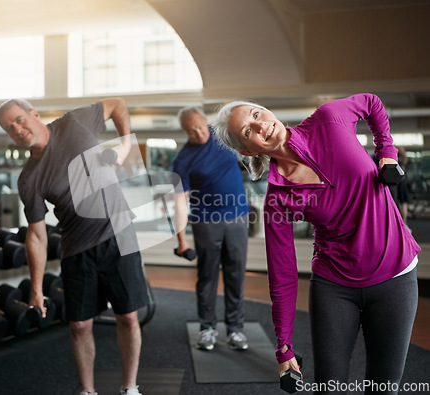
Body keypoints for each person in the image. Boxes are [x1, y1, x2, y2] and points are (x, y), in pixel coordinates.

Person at [213, 94, 421, 393]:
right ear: (247, 150)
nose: (260, 127)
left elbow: (372, 103)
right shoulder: (277, 199)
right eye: (248, 131)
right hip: (335, 286)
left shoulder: (329, 119)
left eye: (256, 115)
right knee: (329, 387)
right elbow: (282, 276)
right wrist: (283, 348)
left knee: (383, 388)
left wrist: (387, 151)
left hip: (395, 274)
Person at [0, 98, 149, 395]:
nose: (16, 128)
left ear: (33, 114)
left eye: (18, 119)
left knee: (128, 317)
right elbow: (37, 236)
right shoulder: (29, 178)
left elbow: (117, 104)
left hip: (120, 234)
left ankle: (130, 388)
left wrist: (125, 145)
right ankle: (87, 391)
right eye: (8, 127)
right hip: (77, 248)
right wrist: (37, 289)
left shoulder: (74, 122)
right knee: (79, 326)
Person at [172, 106, 250, 351]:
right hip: (206, 221)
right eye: (191, 131)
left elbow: (250, 145)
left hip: (237, 217)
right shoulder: (183, 159)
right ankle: (207, 328)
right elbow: (179, 202)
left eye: (200, 126)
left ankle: (236, 329)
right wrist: (181, 241)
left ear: (205, 120)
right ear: (186, 131)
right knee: (207, 276)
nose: (198, 133)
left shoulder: (222, 136)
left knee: (235, 274)